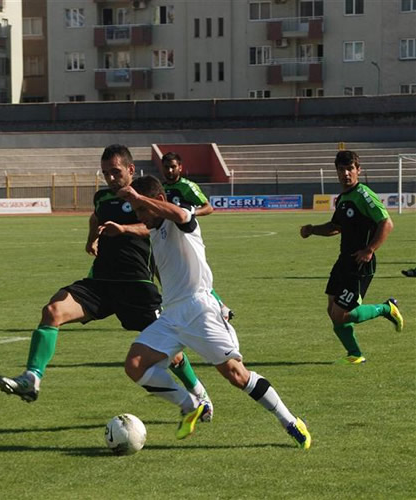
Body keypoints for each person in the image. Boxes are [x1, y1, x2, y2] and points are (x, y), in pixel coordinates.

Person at [0, 144, 213, 421]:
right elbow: (96, 216)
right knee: (52, 312)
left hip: (137, 284)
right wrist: (92, 238)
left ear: (131, 170)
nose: (110, 178)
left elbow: (152, 227)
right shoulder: (102, 198)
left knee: (170, 354)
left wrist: (123, 229)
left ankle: (199, 393)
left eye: (115, 171)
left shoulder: (144, 198)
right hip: (100, 283)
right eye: (105, 173)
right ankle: (32, 377)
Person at [117, 175, 311, 448]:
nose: (141, 217)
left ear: (158, 201)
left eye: (143, 210)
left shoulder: (181, 218)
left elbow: (179, 213)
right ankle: (191, 404)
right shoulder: (154, 232)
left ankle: (289, 420)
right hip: (172, 315)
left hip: (199, 311)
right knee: (134, 365)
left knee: (237, 375)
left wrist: (139, 199)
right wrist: (125, 229)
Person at [300, 150, 404, 365]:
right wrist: (312, 230)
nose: (346, 174)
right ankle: (355, 354)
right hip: (343, 261)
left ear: (358, 170)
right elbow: (335, 227)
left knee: (341, 313)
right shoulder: (343, 199)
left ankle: (387, 309)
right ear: (336, 172)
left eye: (350, 169)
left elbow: (387, 223)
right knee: (332, 310)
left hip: (360, 263)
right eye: (341, 170)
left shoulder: (364, 194)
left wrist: (370, 249)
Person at [160, 151, 233, 321]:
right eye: (166, 167)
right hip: (168, 238)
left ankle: (220, 307)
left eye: (173, 167)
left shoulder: (187, 187)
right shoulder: (161, 188)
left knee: (197, 276)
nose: (170, 171)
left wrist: (192, 214)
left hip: (187, 238)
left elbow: (208, 207)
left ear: (180, 167)